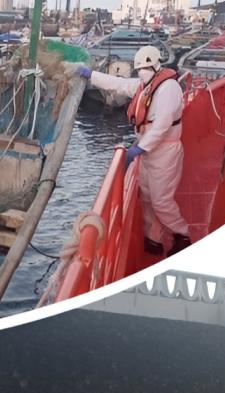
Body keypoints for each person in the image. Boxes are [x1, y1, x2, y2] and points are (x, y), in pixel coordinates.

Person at [75, 45, 191, 257]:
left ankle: (181, 234)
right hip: (148, 152)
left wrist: (139, 148)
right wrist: (91, 75)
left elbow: (162, 124)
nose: (142, 72)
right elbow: (119, 84)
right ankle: (153, 238)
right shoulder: (145, 86)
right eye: (140, 70)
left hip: (165, 152)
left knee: (161, 200)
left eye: (145, 68)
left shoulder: (169, 88)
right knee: (146, 197)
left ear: (156, 66)